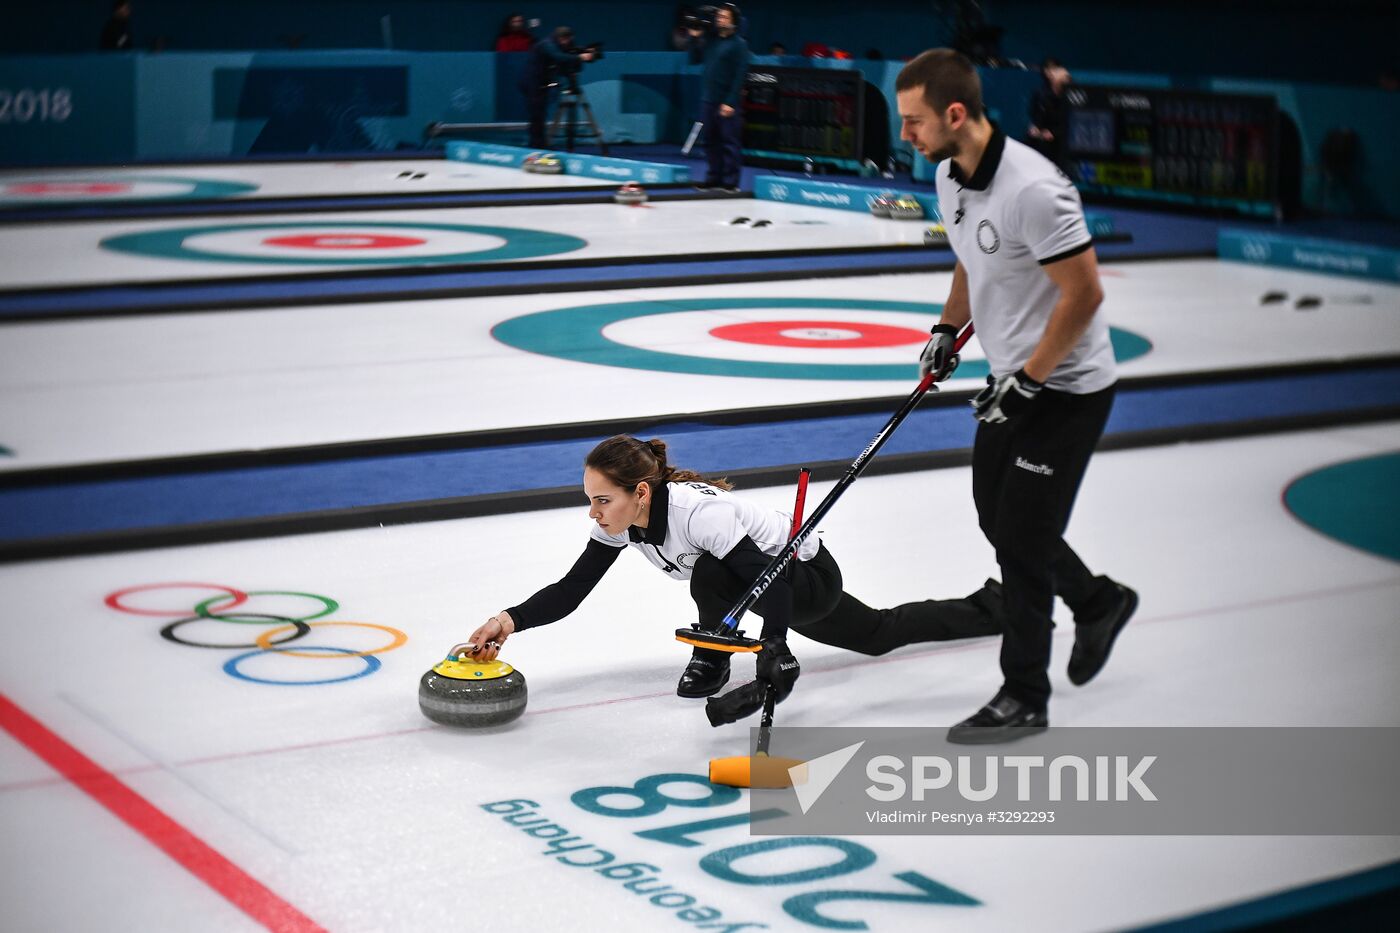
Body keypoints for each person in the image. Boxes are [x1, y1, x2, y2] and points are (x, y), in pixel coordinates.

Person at [896, 48, 1137, 744]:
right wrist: (948, 328)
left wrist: (1032, 380)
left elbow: (1084, 292)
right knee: (997, 518)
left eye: (915, 122)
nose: (906, 135)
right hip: (1013, 381)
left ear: (956, 113)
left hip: (1066, 389)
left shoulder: (1033, 187)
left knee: (1023, 540)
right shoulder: (950, 175)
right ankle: (1099, 600)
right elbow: (972, 260)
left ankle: (1025, 692)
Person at [456, 435, 1004, 724]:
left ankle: (714, 652)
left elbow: (772, 586)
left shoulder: (701, 515)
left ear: (639, 493)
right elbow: (571, 591)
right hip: (763, 590)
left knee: (712, 568)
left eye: (603, 500)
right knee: (879, 635)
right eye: (590, 500)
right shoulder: (624, 523)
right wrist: (508, 620)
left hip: (806, 579)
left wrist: (776, 649)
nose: (594, 513)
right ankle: (994, 607)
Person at [687, 4, 751, 192]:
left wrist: (730, 101)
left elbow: (740, 75)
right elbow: (694, 59)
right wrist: (694, 38)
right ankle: (713, 177)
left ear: (733, 22)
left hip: (727, 101)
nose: (720, 19)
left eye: (725, 17)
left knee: (729, 142)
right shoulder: (711, 41)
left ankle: (730, 182)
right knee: (709, 140)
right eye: (719, 16)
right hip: (708, 99)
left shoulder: (739, 45)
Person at [518, 25, 596, 149]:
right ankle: (536, 145)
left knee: (540, 115)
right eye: (565, 40)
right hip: (532, 82)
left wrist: (583, 51)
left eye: (568, 40)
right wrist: (580, 57)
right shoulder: (546, 44)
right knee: (537, 115)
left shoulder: (560, 45)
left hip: (541, 83)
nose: (566, 43)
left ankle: (540, 144)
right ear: (559, 37)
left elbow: (565, 56)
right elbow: (558, 57)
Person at [1027, 58, 1072, 164]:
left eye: (1054, 69)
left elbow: (1070, 124)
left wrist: (1054, 133)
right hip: (1044, 141)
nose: (1051, 73)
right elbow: (1037, 116)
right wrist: (1035, 128)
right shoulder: (1042, 95)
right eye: (1048, 69)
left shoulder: (1071, 97)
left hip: (1061, 145)